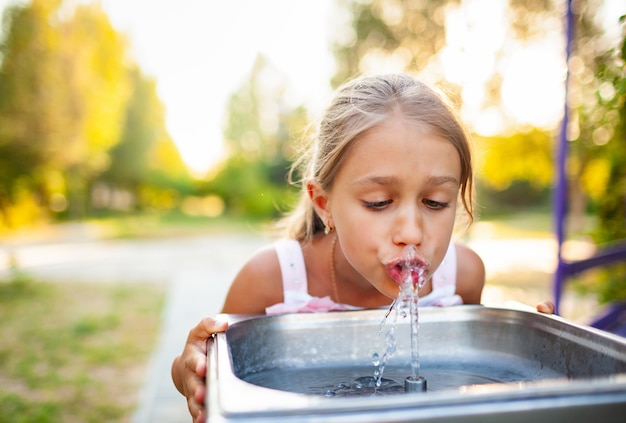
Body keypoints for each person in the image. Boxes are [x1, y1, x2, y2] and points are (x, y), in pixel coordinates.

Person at [171, 73, 554, 423]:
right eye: (378, 202)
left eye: (435, 202)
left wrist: (534, 349)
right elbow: (215, 376)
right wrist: (188, 368)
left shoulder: (463, 276)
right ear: (324, 204)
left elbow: (476, 371)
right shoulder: (271, 280)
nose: (411, 233)